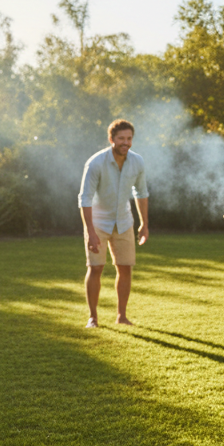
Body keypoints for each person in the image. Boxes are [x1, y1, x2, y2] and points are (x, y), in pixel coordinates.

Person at [78, 119, 150, 328]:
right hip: (98, 223)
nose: (125, 143)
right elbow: (85, 198)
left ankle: (122, 316)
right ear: (111, 139)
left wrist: (144, 224)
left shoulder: (137, 162)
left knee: (125, 268)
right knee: (96, 268)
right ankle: (93, 317)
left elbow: (142, 193)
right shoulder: (96, 163)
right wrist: (90, 232)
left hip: (124, 221)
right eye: (121, 139)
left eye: (129, 139)